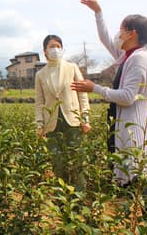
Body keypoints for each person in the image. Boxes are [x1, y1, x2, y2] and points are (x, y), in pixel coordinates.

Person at [72, 0, 147, 186]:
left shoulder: (138, 59)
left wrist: (94, 88)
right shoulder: (128, 56)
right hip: (126, 126)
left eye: (121, 29)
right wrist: (98, 12)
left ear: (131, 33)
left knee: (141, 180)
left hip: (134, 128)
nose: (118, 34)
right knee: (132, 179)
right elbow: (105, 39)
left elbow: (128, 96)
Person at [35, 35, 91, 190]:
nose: (55, 49)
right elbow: (39, 103)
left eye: (58, 46)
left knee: (76, 162)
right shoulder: (40, 75)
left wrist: (85, 118)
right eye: (52, 46)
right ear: (45, 51)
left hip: (72, 121)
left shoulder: (71, 68)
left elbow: (82, 94)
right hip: (52, 125)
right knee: (57, 163)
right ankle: (63, 199)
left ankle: (79, 199)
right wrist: (40, 124)